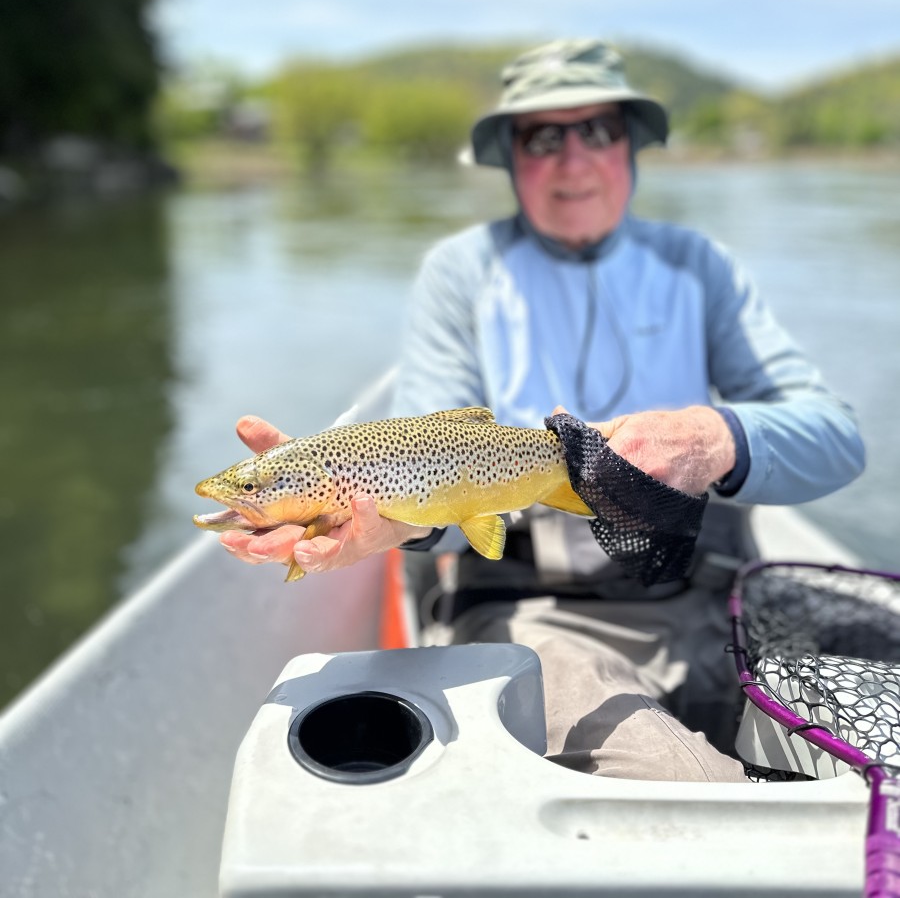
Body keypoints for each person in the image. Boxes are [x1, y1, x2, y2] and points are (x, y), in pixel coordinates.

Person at [220, 39, 866, 784]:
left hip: (721, 606)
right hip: (538, 617)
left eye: (597, 130)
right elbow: (422, 441)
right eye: (543, 136)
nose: (572, 158)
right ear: (512, 158)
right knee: (697, 790)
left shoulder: (701, 267)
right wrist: (383, 514)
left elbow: (836, 436)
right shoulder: (461, 273)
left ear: (629, 147)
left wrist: (717, 435)